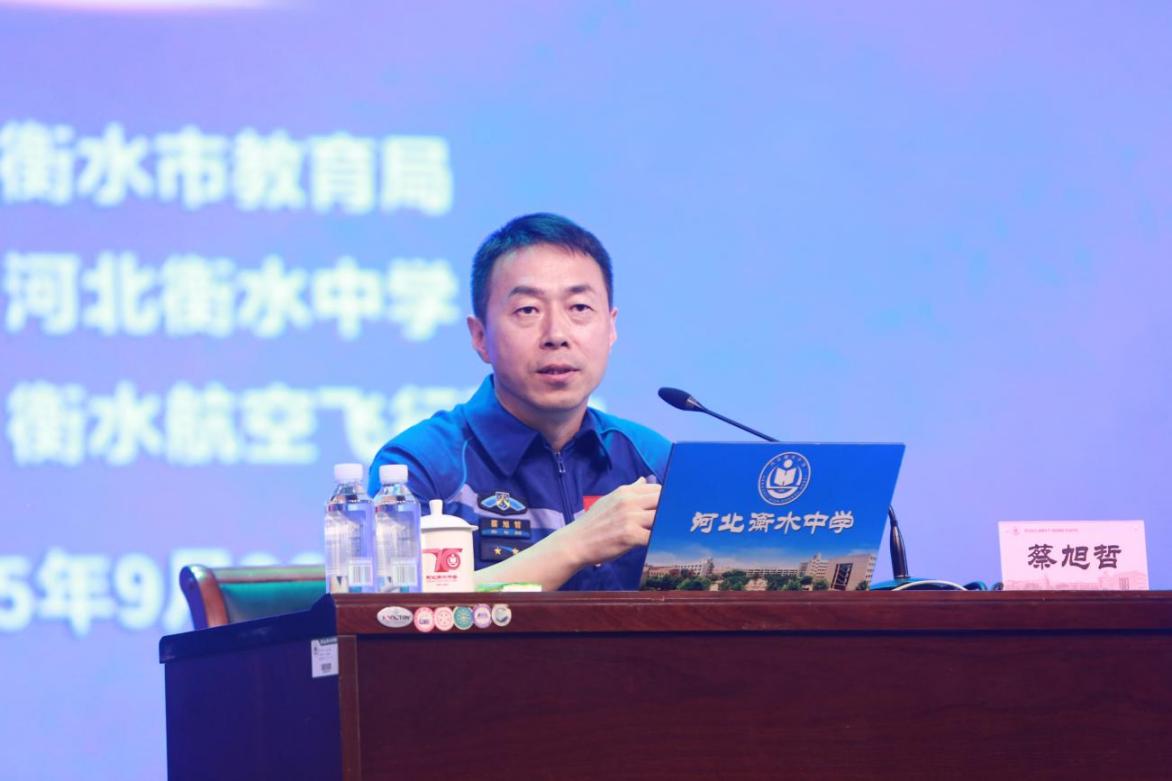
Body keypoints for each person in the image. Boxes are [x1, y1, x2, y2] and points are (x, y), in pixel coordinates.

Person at [369, 213, 670, 590]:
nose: (556, 334)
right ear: (480, 337)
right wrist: (574, 545)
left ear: (611, 327)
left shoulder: (653, 463)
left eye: (579, 308)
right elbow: (393, 606)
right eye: (528, 310)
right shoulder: (421, 466)